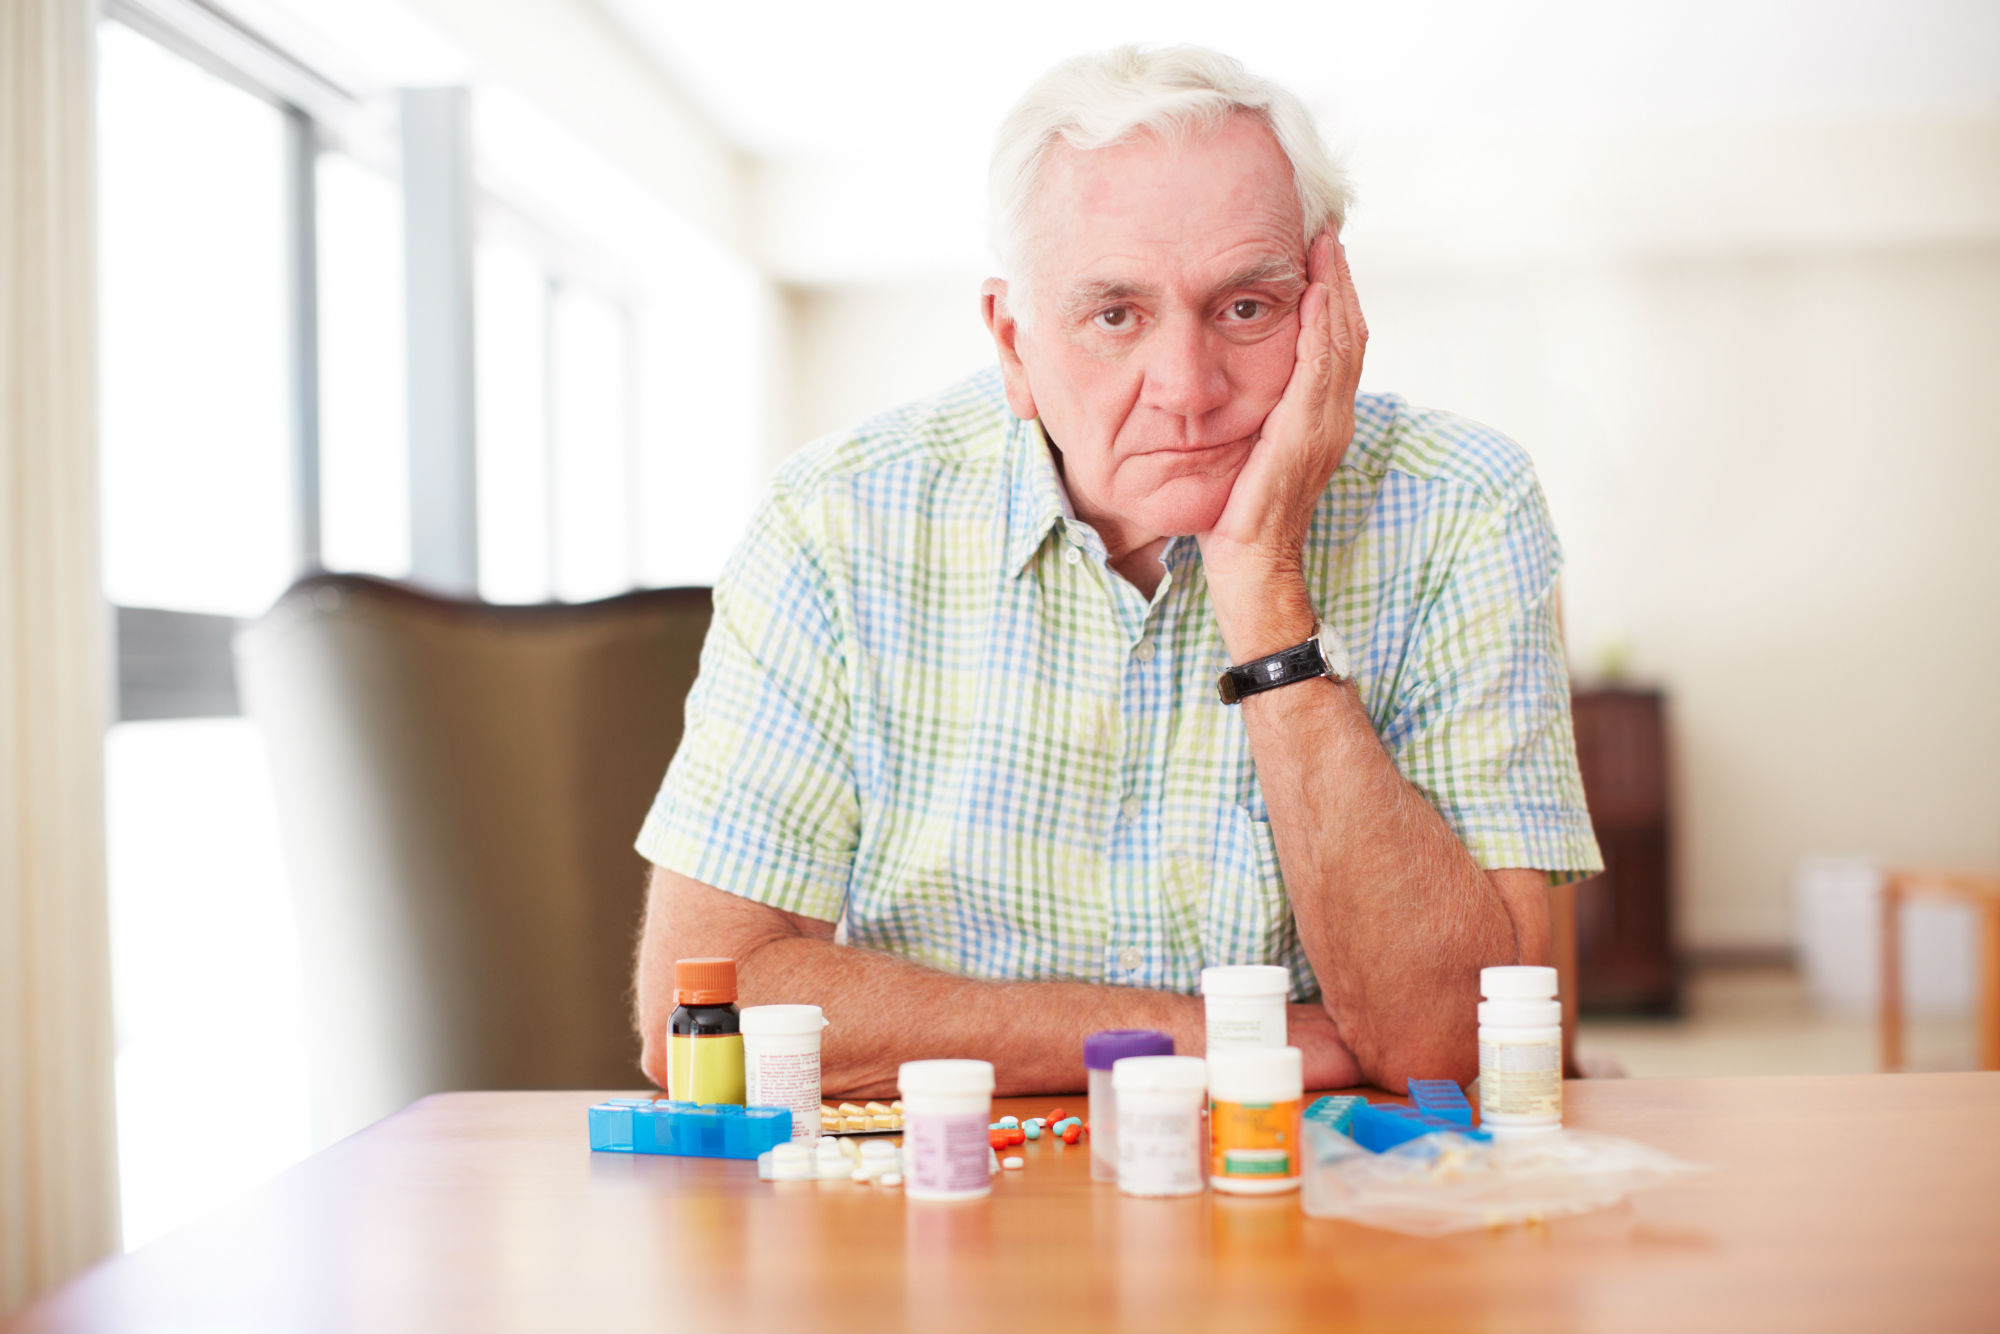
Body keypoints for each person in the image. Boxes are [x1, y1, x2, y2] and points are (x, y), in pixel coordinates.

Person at [632, 45, 1601, 1097]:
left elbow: (1470, 1053)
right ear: (1013, 344)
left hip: (1334, 1216)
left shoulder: (1463, 504)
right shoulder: (832, 518)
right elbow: (703, 1024)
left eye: (1245, 307)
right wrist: (1215, 1037)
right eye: (1113, 315)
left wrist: (1263, 586)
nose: (1186, 389)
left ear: (1329, 311)